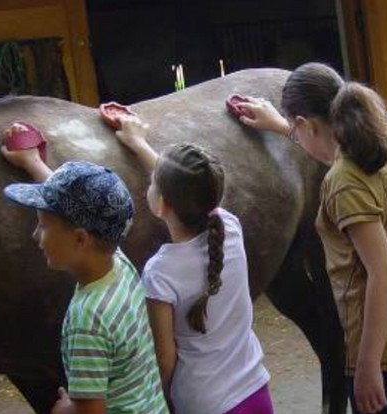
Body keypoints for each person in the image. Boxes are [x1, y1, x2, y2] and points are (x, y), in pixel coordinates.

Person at [237, 62, 387, 414]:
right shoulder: (378, 150)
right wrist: (282, 127)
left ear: (306, 124)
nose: (295, 135)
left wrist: (367, 366)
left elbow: (383, 271)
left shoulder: (343, 182)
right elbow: (327, 148)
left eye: (295, 128)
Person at [0, 125, 169, 414]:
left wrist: (64, 409)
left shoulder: (87, 321)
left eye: (42, 225)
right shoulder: (118, 262)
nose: (35, 235)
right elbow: (81, 208)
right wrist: (33, 163)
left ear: (80, 238)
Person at [113, 115, 273, 414]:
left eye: (152, 183)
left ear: (161, 204)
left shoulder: (160, 272)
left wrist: (160, 399)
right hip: (254, 391)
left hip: (203, 402)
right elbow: (195, 190)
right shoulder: (230, 228)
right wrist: (139, 143)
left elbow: (165, 358)